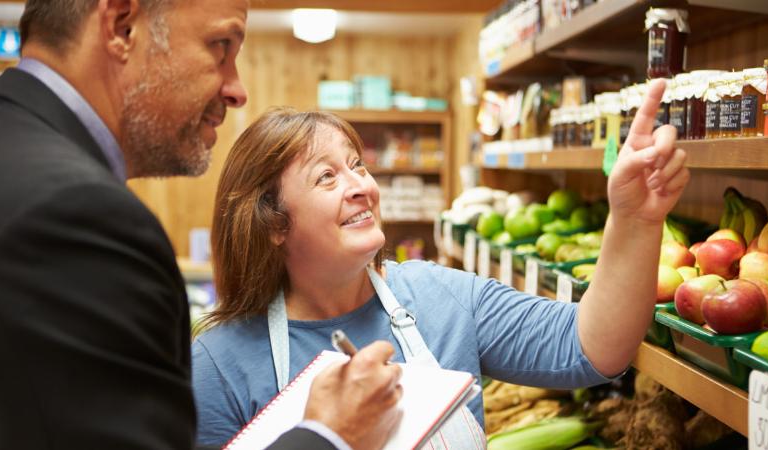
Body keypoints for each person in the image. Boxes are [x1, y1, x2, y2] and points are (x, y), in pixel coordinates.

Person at [192, 79, 690, 447]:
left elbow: (595, 347)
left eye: (357, 164)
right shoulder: (219, 363)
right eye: (327, 177)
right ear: (274, 224)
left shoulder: (443, 298)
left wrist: (633, 220)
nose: (362, 186)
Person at [0, 0, 402, 449]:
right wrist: (330, 435)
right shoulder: (79, 214)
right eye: (220, 47)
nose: (237, 90)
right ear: (122, 27)